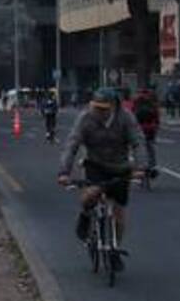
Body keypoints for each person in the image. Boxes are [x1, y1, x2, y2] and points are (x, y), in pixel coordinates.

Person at [57, 87, 145, 272]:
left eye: (104, 108)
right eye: (96, 107)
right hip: (95, 164)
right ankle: (86, 215)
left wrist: (140, 168)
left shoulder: (126, 118)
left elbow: (137, 142)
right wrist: (64, 172)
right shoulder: (85, 118)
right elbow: (72, 144)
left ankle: (114, 250)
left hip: (120, 167)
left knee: (119, 212)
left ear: (114, 106)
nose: (99, 112)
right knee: (91, 194)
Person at [132, 87, 161, 175]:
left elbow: (131, 116)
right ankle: (153, 165)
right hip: (149, 128)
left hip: (140, 128)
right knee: (150, 147)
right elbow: (156, 115)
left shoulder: (136, 103)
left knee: (138, 147)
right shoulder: (152, 103)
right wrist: (156, 125)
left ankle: (140, 166)